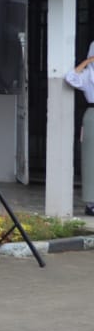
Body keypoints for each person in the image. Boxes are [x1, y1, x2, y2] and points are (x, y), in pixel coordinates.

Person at [65, 41, 94, 215]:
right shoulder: (87, 75)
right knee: (91, 160)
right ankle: (91, 203)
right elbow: (70, 78)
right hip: (92, 116)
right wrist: (88, 61)